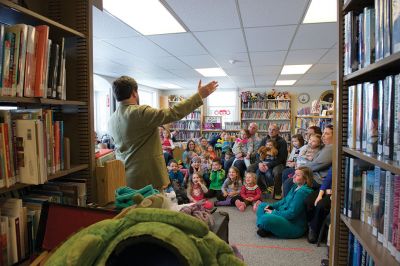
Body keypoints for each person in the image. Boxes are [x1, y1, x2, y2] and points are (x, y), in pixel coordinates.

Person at [108, 76, 218, 189]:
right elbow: (172, 113)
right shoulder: (139, 112)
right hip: (147, 177)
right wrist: (199, 96)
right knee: (153, 205)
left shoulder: (112, 119)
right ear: (134, 92)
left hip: (125, 176)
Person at [255, 166, 314, 239]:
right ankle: (264, 228)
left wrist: (273, 212)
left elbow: (291, 214)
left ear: (306, 179)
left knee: (265, 218)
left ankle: (264, 226)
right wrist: (272, 206)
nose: (294, 176)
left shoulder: (302, 192)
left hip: (293, 224)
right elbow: (284, 200)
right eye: (294, 174)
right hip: (283, 214)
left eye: (298, 175)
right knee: (262, 205)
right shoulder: (295, 186)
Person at [281, 125, 333, 195]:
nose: (323, 136)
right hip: (311, 173)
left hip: (317, 178)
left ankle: (289, 203)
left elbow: (316, 165)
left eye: (327, 134)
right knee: (286, 174)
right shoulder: (324, 146)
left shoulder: (330, 148)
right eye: (323, 133)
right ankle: (288, 201)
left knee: (289, 182)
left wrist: (299, 168)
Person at [254, 124, 288, 197]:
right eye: (269, 129)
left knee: (277, 172)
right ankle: (263, 189)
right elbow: (258, 153)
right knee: (251, 169)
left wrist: (268, 165)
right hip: (263, 161)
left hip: (278, 163)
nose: (271, 131)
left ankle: (277, 192)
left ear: (278, 131)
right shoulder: (264, 139)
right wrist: (260, 163)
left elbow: (281, 158)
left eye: (273, 130)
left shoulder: (282, 141)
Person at [305, 166, 332, 243]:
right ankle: (310, 226)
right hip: (325, 189)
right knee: (308, 201)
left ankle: (315, 230)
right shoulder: (335, 165)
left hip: (334, 193)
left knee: (321, 205)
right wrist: (320, 195)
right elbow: (327, 181)